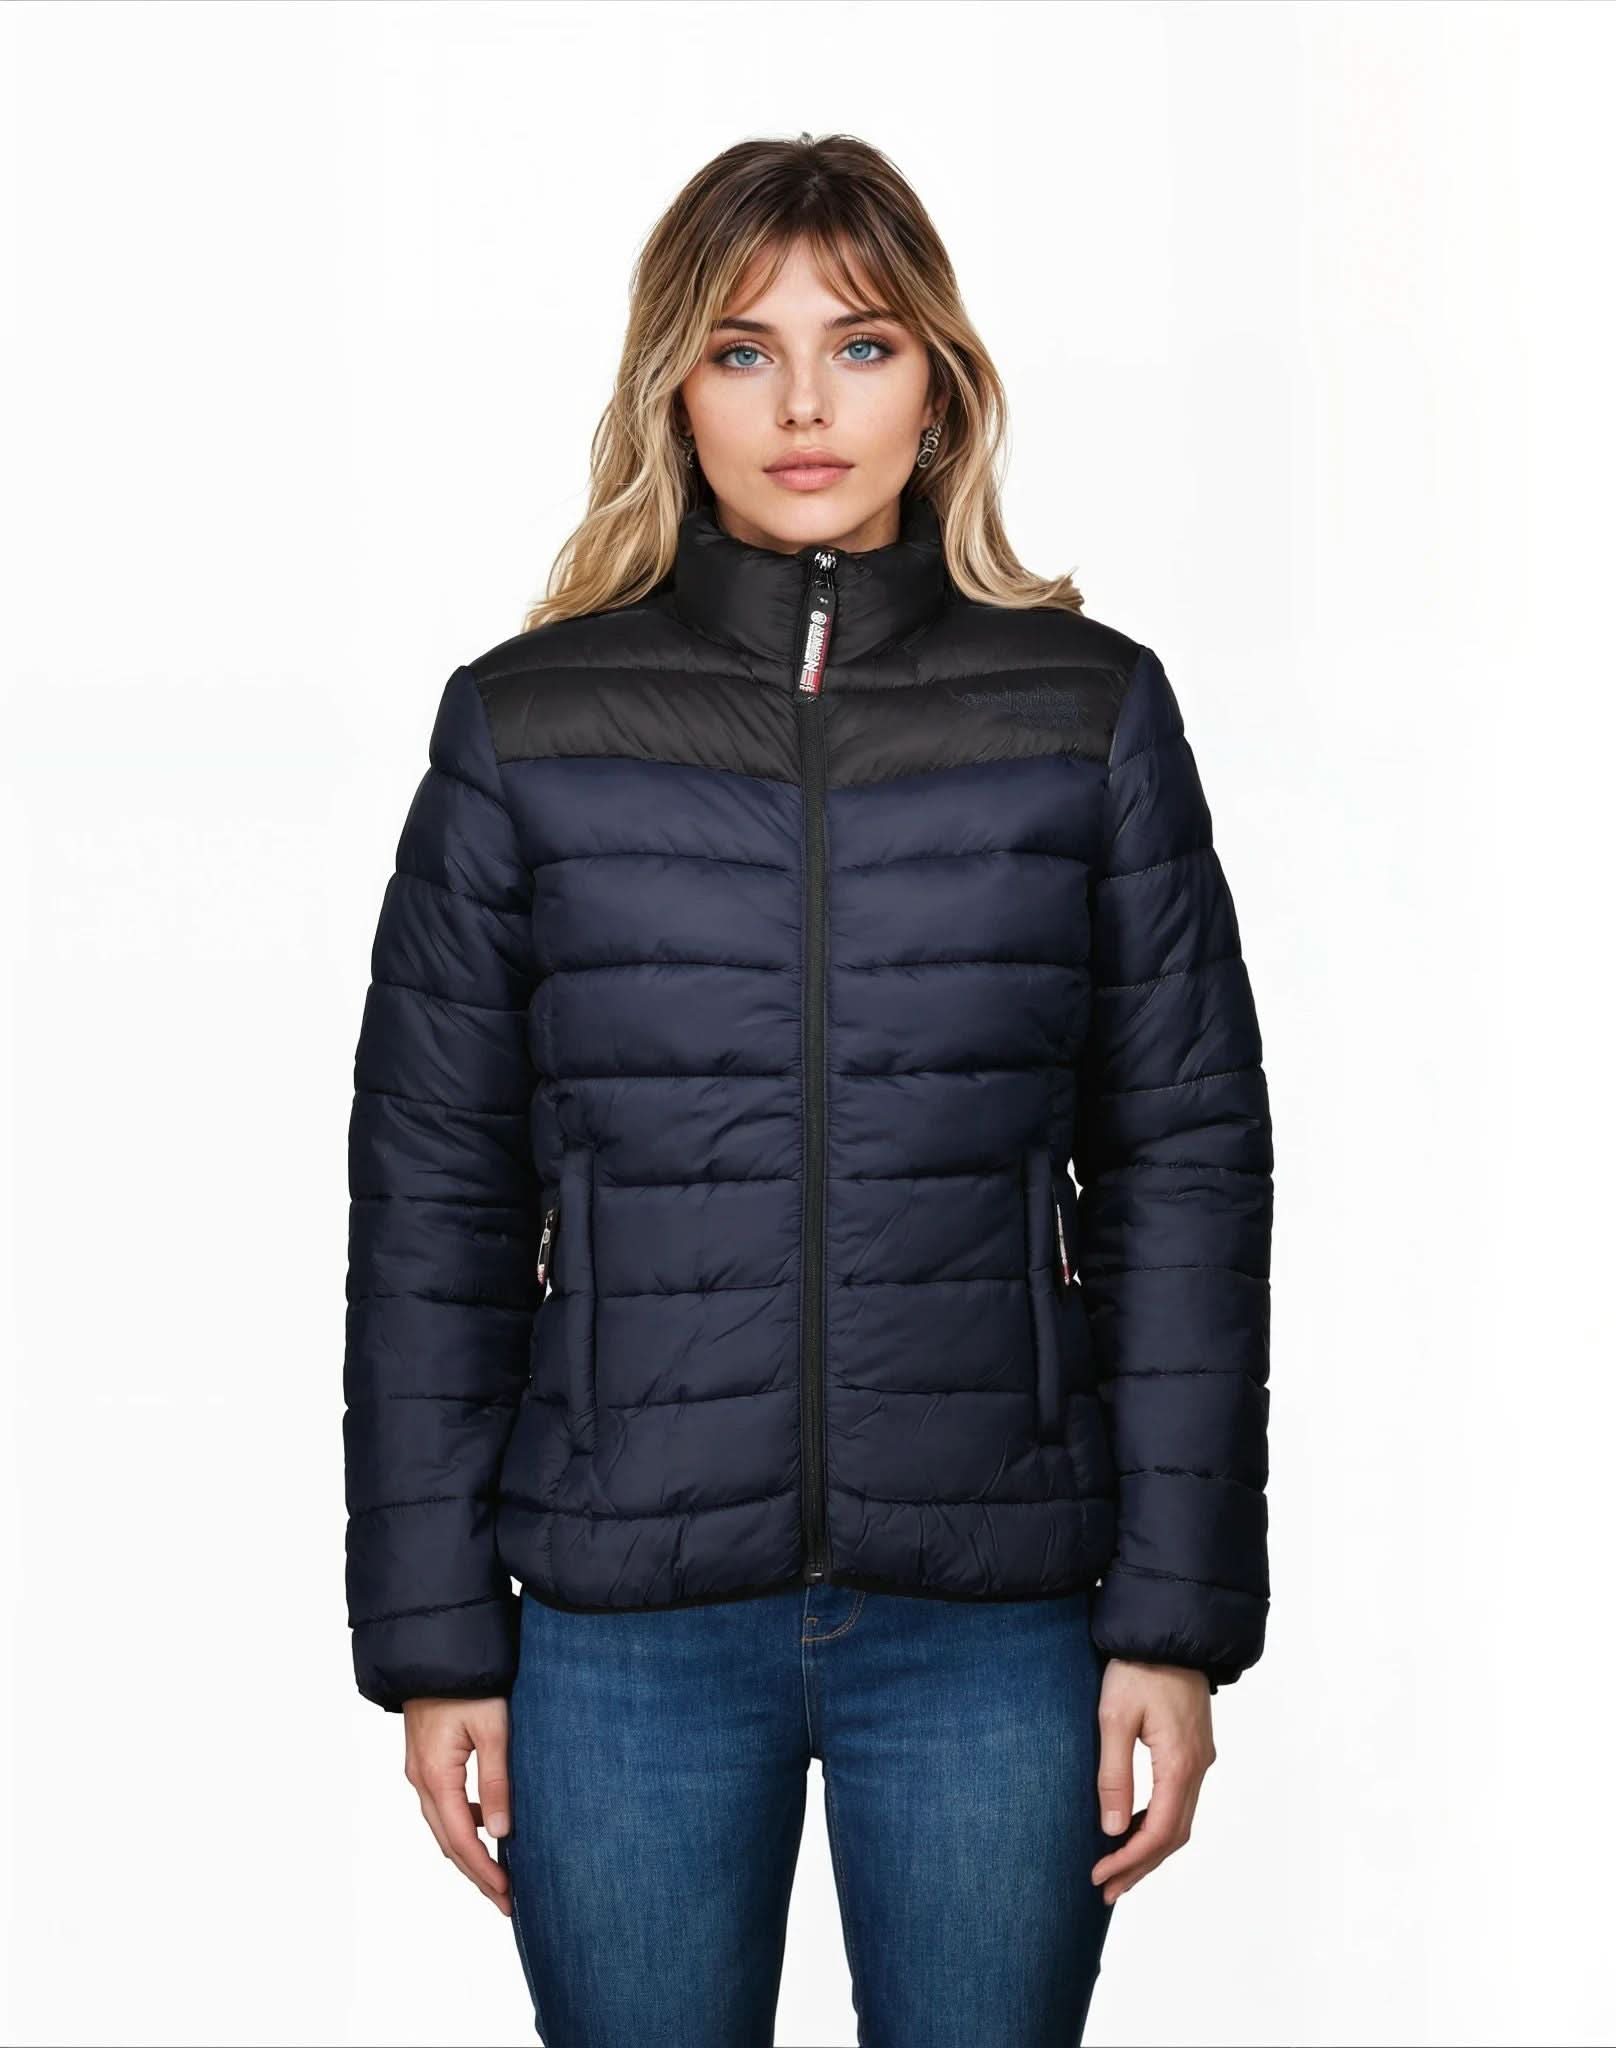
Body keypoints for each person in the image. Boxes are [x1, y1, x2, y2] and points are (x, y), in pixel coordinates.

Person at [342, 130, 1274, 2048]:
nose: (803, 406)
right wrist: (437, 1643)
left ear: (938, 381)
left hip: (998, 1615)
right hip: (623, 1624)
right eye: (741, 350)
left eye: (858, 345)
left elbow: (1187, 1171)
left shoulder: (1087, 714)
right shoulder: (528, 727)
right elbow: (433, 1201)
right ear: (672, 390)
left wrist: (1174, 1623)